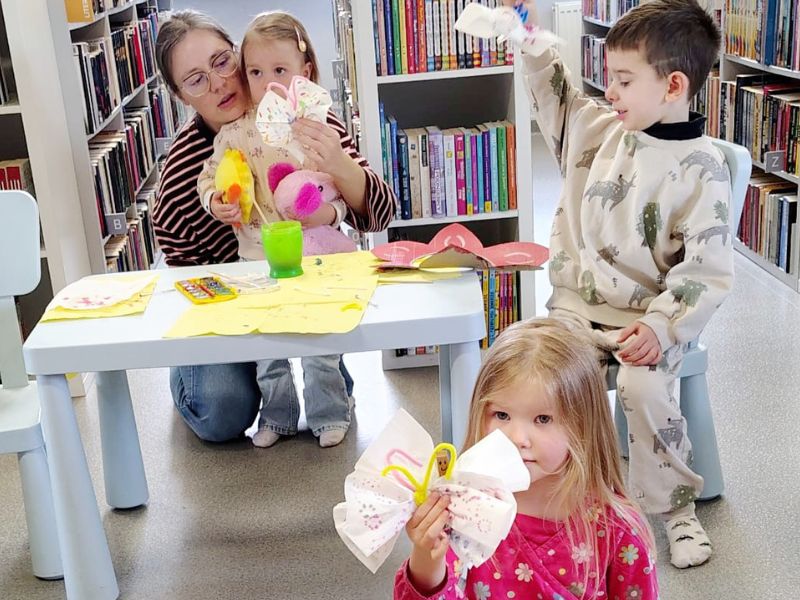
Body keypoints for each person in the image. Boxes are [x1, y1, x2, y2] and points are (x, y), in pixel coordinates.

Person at [481, 0, 732, 569]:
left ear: (673, 85)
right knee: (543, 380)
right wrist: (531, 42)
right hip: (576, 310)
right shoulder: (598, 128)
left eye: (623, 79)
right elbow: (558, 97)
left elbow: (706, 270)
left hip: (649, 322)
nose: (609, 90)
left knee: (643, 391)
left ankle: (676, 510)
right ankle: (559, 496)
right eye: (608, 76)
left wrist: (662, 327)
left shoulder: (703, 168)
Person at [153, 10, 395, 443]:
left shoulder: (301, 118)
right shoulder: (182, 172)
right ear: (180, 95)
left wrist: (338, 169)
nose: (219, 83)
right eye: (196, 80)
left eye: (222, 62)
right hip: (231, 300)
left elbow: (380, 213)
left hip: (304, 279)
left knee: (316, 347)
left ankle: (319, 385)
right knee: (222, 412)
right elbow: (184, 280)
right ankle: (213, 381)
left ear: (238, 55)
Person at [394, 319, 658, 599]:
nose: (517, 438)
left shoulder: (617, 531)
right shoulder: (462, 511)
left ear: (583, 426)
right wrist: (426, 558)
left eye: (543, 419)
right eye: (502, 415)